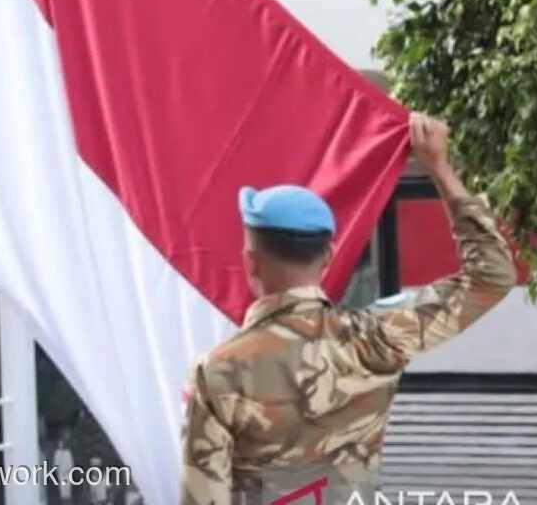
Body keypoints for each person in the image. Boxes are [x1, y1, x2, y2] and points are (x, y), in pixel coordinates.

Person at [181, 113, 517, 505]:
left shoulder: (218, 372)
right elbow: (493, 275)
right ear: (329, 258)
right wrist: (439, 168)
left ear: (250, 262)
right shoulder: (378, 337)